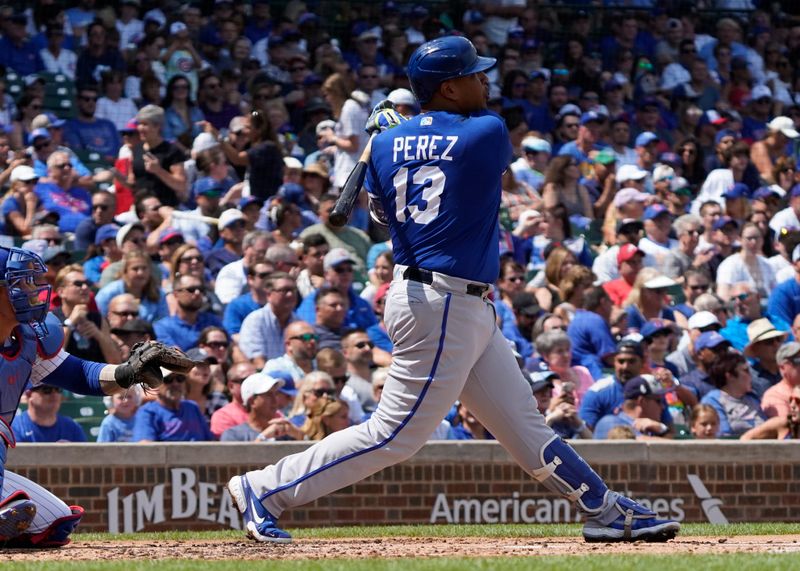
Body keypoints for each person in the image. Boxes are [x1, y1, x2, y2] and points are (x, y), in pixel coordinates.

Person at [225, 36, 679, 545]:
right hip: (439, 301)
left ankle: (604, 508)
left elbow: (380, 213)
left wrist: (391, 142)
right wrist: (408, 134)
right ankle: (264, 488)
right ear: (447, 87)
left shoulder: (385, 145)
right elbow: (451, 154)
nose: (484, 80)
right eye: (472, 74)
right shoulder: (486, 130)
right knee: (395, 434)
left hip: (449, 299)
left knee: (524, 425)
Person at [0, 245, 193, 546]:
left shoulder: (27, 339)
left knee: (54, 522)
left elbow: (80, 374)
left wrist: (128, 372)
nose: (31, 290)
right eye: (20, 283)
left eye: (30, 281)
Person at [12, 385, 86, 443]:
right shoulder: (14, 428)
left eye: (58, 389)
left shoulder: (72, 427)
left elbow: (84, 459)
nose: (55, 394)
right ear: (29, 394)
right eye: (47, 390)